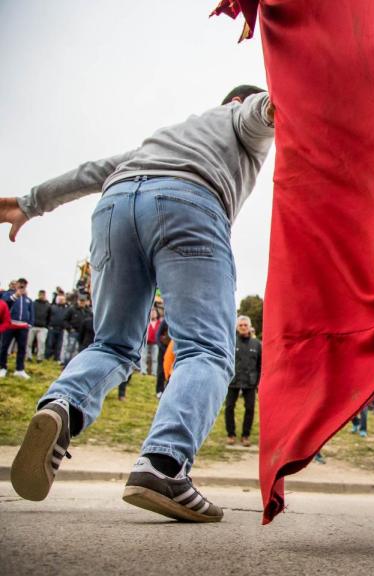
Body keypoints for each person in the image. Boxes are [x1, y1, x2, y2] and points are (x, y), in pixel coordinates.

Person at [5, 84, 275, 522]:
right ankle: (163, 466)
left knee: (111, 343)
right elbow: (258, 112)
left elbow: (93, 170)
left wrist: (29, 203)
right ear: (237, 101)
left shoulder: (165, 136)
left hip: (115, 207)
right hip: (188, 205)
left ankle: (62, 407)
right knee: (205, 350)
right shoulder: (239, 119)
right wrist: (279, 99)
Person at [225, 315, 261, 447]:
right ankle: (231, 434)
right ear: (237, 327)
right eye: (241, 325)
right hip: (233, 381)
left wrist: (259, 382)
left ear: (249, 327)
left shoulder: (257, 344)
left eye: (245, 325)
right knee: (229, 407)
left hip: (250, 382)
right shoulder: (231, 342)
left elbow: (260, 364)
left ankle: (246, 436)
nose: (243, 327)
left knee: (250, 409)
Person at [0, 278, 33, 379]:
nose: (22, 285)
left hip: (23, 326)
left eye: (24, 284)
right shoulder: (7, 294)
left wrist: (30, 323)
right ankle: (2, 367)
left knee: (22, 348)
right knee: (4, 347)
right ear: (17, 284)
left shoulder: (28, 299)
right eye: (20, 283)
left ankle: (19, 369)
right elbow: (4, 303)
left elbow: (31, 313)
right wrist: (16, 295)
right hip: (10, 324)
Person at [44, 294, 69, 361]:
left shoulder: (67, 309)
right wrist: (48, 325)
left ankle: (56, 358)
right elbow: (47, 317)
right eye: (59, 299)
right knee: (50, 343)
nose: (61, 301)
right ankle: (47, 357)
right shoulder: (52, 307)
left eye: (62, 299)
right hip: (52, 328)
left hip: (61, 329)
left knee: (59, 344)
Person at [29, 289, 50, 362]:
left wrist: (46, 325)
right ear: (38, 295)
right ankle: (28, 356)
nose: (42, 296)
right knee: (29, 342)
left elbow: (49, 316)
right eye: (41, 294)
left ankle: (40, 358)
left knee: (41, 343)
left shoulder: (47, 305)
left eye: (43, 295)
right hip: (33, 326)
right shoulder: (34, 303)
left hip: (42, 327)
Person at [140, 308, 161, 376]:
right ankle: (143, 371)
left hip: (155, 343)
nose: (153, 314)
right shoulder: (146, 321)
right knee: (144, 357)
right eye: (151, 312)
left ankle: (154, 373)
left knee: (155, 359)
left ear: (157, 314)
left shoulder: (159, 323)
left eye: (154, 312)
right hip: (146, 343)